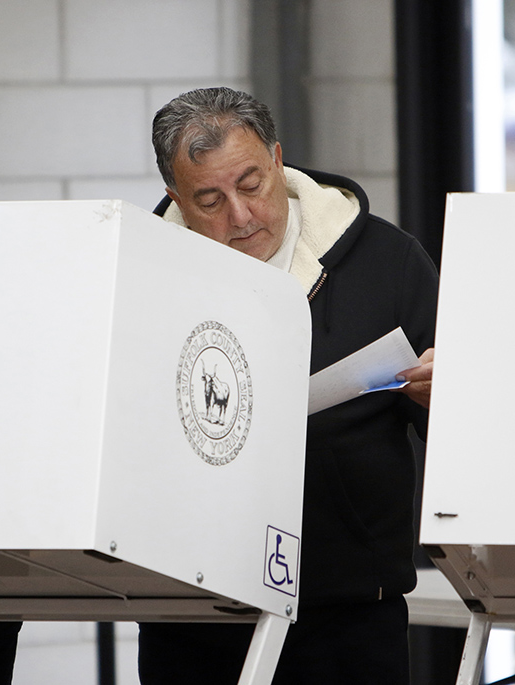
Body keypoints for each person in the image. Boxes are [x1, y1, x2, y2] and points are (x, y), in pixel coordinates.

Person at [138, 87, 437, 684]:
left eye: (251, 184)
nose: (241, 216)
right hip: (191, 609)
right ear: (176, 198)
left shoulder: (387, 260)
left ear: (278, 160)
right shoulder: (143, 277)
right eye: (210, 200)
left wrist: (449, 395)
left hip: (351, 610)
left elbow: (472, 432)